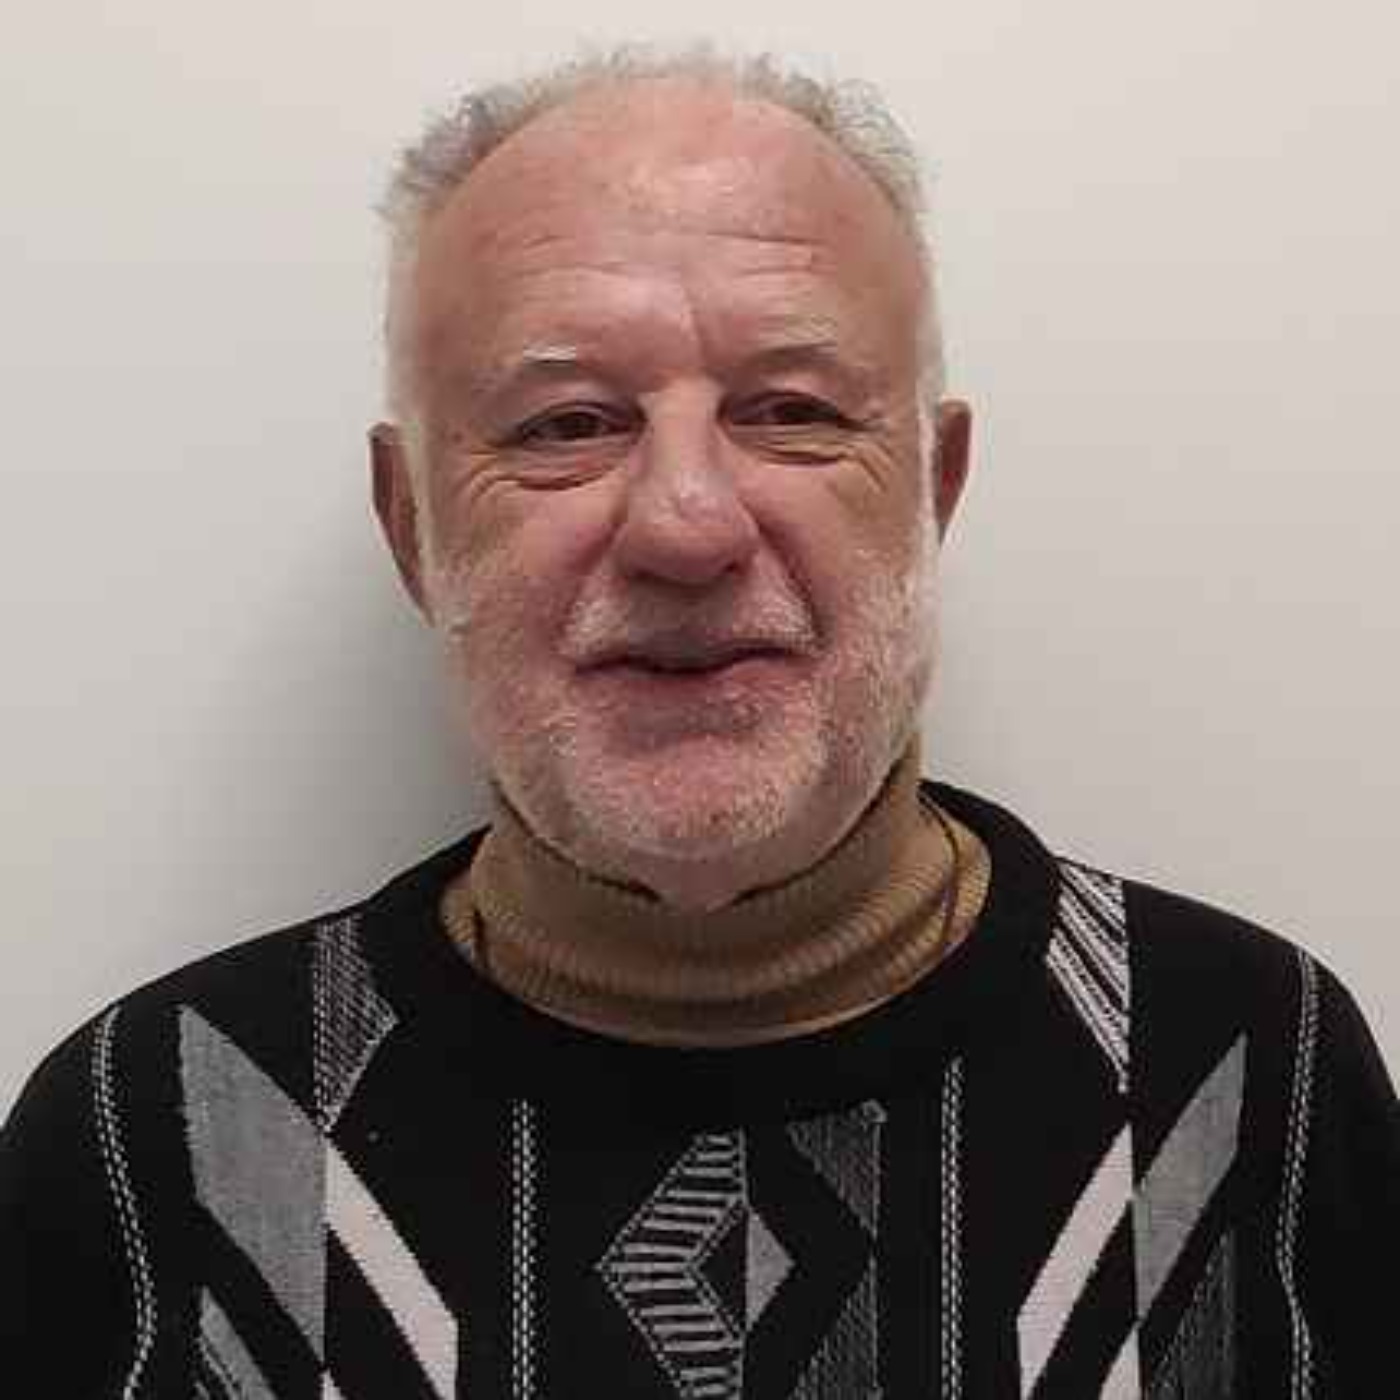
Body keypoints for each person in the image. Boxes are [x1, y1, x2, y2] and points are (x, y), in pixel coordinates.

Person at [2, 45, 1396, 1399]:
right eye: (565, 425)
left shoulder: (1251, 1083)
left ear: (935, 488)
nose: (686, 525)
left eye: (791, 411)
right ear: (412, 524)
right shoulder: (153, 1138)